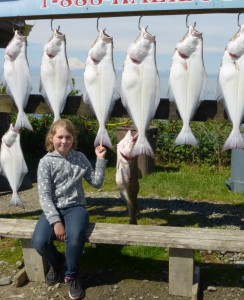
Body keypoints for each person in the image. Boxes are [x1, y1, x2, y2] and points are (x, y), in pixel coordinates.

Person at [32, 118, 107, 300]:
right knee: (39, 242)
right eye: (60, 137)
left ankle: (71, 275)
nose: (64, 141)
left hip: (76, 207)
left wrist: (100, 159)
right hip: (54, 209)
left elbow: (96, 182)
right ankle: (57, 262)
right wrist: (56, 222)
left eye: (68, 137)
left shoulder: (80, 158)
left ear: (73, 139)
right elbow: (44, 196)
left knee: (73, 239)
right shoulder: (45, 162)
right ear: (51, 138)